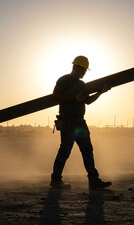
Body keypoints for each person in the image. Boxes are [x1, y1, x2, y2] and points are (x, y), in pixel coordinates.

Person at [50, 55, 112, 189]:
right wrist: (74, 98)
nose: (84, 72)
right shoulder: (64, 80)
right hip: (69, 121)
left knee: (87, 150)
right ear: (75, 67)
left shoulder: (82, 84)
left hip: (80, 122)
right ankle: (55, 181)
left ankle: (93, 180)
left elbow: (87, 101)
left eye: (85, 70)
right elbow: (55, 96)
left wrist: (100, 92)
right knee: (65, 151)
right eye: (82, 69)